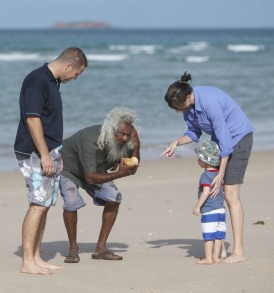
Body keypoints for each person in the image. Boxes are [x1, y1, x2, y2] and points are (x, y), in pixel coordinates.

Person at [160, 71, 253, 264]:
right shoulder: (189, 107)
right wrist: (176, 142)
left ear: (188, 96)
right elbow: (194, 133)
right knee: (216, 194)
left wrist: (220, 174)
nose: (178, 111)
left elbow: (226, 142)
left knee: (229, 193)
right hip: (223, 142)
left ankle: (238, 251)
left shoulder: (209, 103)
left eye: (178, 107)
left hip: (239, 138)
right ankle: (221, 250)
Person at [14, 47, 87, 275]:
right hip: (34, 153)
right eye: (76, 74)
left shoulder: (53, 81)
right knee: (37, 205)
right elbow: (33, 119)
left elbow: (50, 120)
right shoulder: (37, 81)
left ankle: (37, 257)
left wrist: (57, 152)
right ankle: (27, 262)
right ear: (68, 66)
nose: (74, 78)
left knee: (45, 205)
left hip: (49, 151)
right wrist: (45, 154)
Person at [59, 107, 140, 263]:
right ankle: (73, 248)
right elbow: (90, 178)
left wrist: (136, 145)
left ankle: (101, 248)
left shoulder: (125, 140)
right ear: (110, 131)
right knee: (71, 203)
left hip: (95, 170)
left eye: (128, 135)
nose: (124, 138)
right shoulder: (89, 140)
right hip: (69, 169)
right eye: (121, 134)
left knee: (114, 198)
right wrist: (120, 173)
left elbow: (133, 167)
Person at [192, 140, 227, 265]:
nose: (197, 160)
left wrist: (197, 206)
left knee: (208, 235)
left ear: (206, 160)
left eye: (199, 158)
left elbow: (206, 192)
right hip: (221, 210)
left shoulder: (205, 176)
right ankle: (216, 257)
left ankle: (208, 258)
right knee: (218, 235)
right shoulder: (219, 175)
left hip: (209, 210)